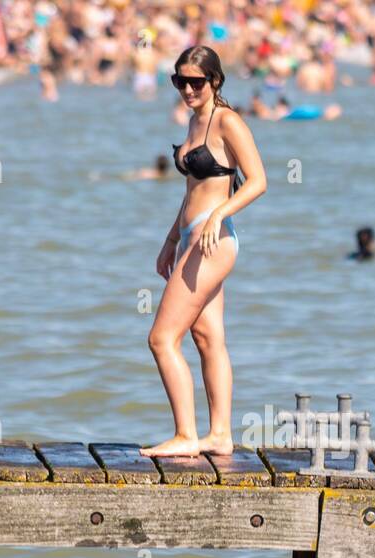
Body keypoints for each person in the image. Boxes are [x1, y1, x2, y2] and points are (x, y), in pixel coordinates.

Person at [140, 45, 266, 458]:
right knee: (207, 337)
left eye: (196, 82)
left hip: (215, 239)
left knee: (161, 338)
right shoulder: (194, 121)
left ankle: (185, 435)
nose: (188, 89)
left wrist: (218, 215)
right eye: (180, 81)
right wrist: (171, 239)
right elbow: (192, 190)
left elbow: (258, 181)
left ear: (214, 81)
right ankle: (219, 435)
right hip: (192, 236)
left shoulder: (227, 121)